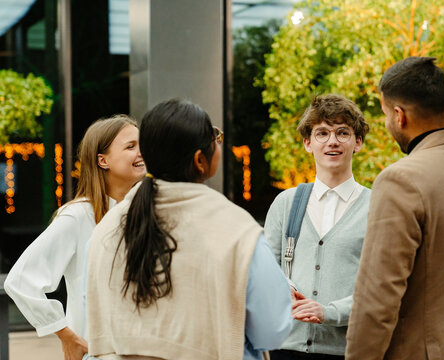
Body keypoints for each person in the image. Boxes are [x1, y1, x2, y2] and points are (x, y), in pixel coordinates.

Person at [85, 98, 292, 360]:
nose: (218, 144)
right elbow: (272, 330)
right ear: (199, 160)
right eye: (214, 138)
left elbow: (92, 312)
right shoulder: (236, 230)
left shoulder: (108, 226)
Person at [345, 57, 444, 359]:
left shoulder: (400, 180)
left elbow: (377, 300)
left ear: (398, 114)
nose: (389, 125)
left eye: (385, 116)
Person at [4, 115, 145, 360]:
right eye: (131, 146)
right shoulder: (78, 216)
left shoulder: (145, 212)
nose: (141, 152)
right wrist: (66, 335)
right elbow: (20, 280)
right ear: (103, 160)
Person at [264, 94, 371, 359]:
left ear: (358, 142)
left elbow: (381, 289)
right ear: (307, 143)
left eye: (342, 132)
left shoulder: (378, 207)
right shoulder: (286, 203)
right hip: (285, 349)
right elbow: (266, 272)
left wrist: (329, 312)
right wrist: (283, 291)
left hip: (347, 351)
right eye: (322, 133)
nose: (332, 141)